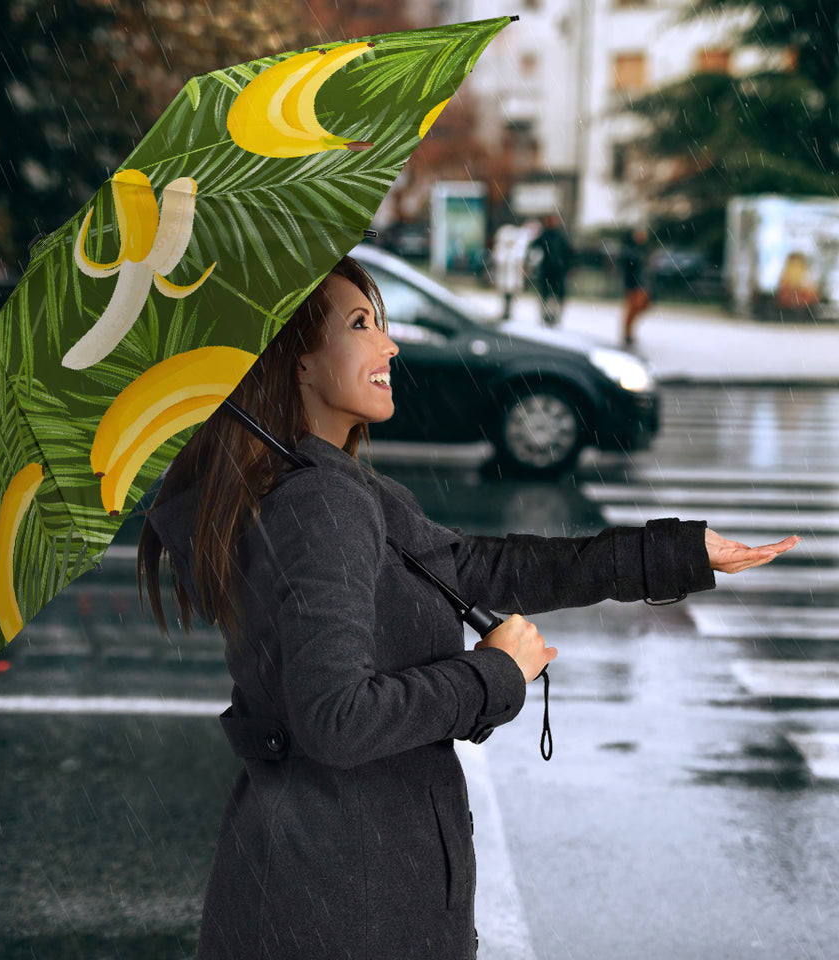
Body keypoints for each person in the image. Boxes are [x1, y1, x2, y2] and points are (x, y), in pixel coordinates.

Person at [137, 256, 798, 960]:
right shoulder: (319, 504)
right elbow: (335, 719)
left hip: (333, 883)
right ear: (296, 363)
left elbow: (482, 567)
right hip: (345, 903)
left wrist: (675, 554)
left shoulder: (329, 487)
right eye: (362, 325)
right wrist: (493, 673)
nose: (390, 345)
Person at [527, 213, 574, 327]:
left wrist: (569, 267)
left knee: (556, 295)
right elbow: (533, 249)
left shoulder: (560, 237)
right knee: (546, 294)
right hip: (547, 270)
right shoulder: (544, 236)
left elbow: (569, 253)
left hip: (558, 271)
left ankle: (554, 316)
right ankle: (546, 315)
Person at [620, 226, 652, 347]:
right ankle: (627, 333)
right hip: (634, 284)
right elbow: (629, 265)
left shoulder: (642, 249)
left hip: (642, 283)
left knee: (641, 306)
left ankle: (629, 331)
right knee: (633, 308)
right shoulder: (630, 250)